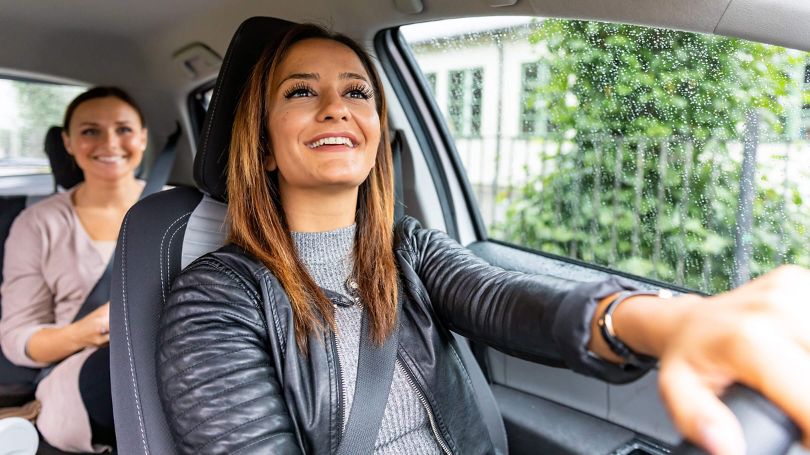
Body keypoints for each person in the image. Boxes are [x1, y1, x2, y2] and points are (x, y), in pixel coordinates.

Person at [156, 24, 810, 455]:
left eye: (357, 91)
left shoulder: (404, 247)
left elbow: (508, 300)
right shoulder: (214, 299)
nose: (337, 107)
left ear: (378, 134)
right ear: (263, 146)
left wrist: (672, 321)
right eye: (302, 92)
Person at [0, 86, 148, 453]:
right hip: (84, 373)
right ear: (67, 143)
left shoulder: (182, 208)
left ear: (143, 137)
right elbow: (18, 338)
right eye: (90, 131)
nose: (110, 142)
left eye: (124, 129)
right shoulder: (38, 224)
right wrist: (88, 331)